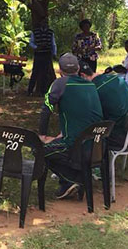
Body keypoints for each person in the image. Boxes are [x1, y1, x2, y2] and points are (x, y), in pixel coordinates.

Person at [38, 53, 103, 199]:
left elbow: (46, 108)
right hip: (98, 145)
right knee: (58, 143)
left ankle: (70, 180)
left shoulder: (60, 84)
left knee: (39, 150)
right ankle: (77, 177)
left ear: (59, 70)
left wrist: (42, 134)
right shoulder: (91, 85)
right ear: (78, 68)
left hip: (74, 145)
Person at [80, 65, 128, 149]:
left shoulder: (93, 89)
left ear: (82, 76)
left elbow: (90, 117)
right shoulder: (116, 79)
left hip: (119, 138)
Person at [27, 19, 57, 97]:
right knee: (35, 72)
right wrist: (36, 47)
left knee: (45, 73)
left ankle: (43, 91)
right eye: (43, 22)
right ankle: (29, 90)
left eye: (46, 22)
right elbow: (31, 43)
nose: (44, 24)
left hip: (47, 54)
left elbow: (53, 44)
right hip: (38, 54)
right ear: (40, 23)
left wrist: (54, 53)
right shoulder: (35, 32)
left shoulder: (50, 32)